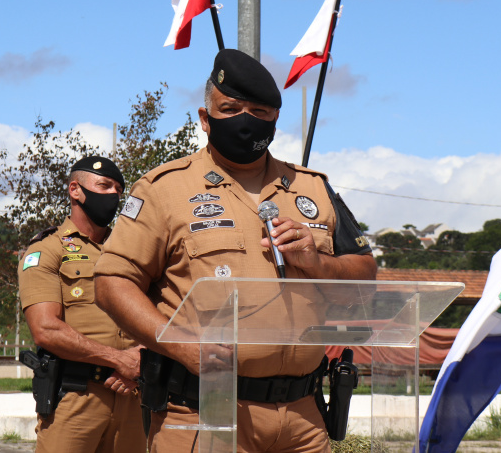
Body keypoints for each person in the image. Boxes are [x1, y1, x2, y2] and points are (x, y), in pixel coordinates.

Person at [94, 48, 378, 453]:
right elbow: (111, 283)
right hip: (204, 411)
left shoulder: (312, 188)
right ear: (205, 118)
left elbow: (366, 276)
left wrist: (318, 262)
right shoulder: (163, 189)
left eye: (260, 112)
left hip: (303, 418)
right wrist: (181, 345)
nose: (247, 120)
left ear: (276, 120)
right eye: (231, 108)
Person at [18, 156, 145, 453]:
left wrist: (141, 361)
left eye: (118, 189)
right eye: (103, 185)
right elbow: (46, 329)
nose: (113, 194)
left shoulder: (130, 252)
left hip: (131, 397)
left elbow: (162, 314)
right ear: (75, 190)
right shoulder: (46, 250)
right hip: (76, 398)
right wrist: (118, 360)